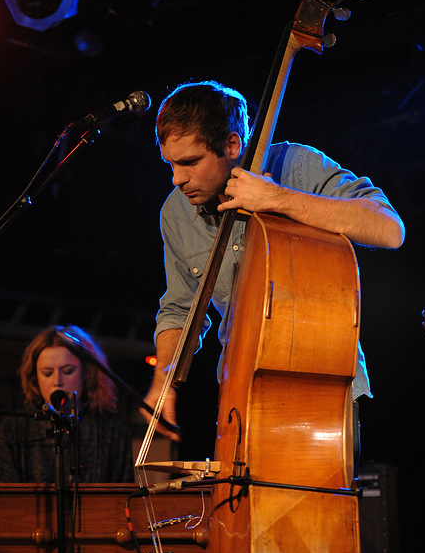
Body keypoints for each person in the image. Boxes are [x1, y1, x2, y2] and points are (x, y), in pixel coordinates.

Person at [143, 80, 405, 442]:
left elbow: (389, 228)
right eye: (170, 163)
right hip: (239, 392)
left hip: (320, 380)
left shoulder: (296, 166)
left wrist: (277, 198)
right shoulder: (175, 213)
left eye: (189, 162)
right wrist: (163, 383)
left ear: (232, 144)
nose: (177, 178)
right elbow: (179, 310)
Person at [0, 325, 135, 482]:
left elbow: (124, 496)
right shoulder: (12, 429)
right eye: (47, 373)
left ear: (87, 372)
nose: (57, 382)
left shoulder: (113, 429)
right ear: (35, 378)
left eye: (67, 371)